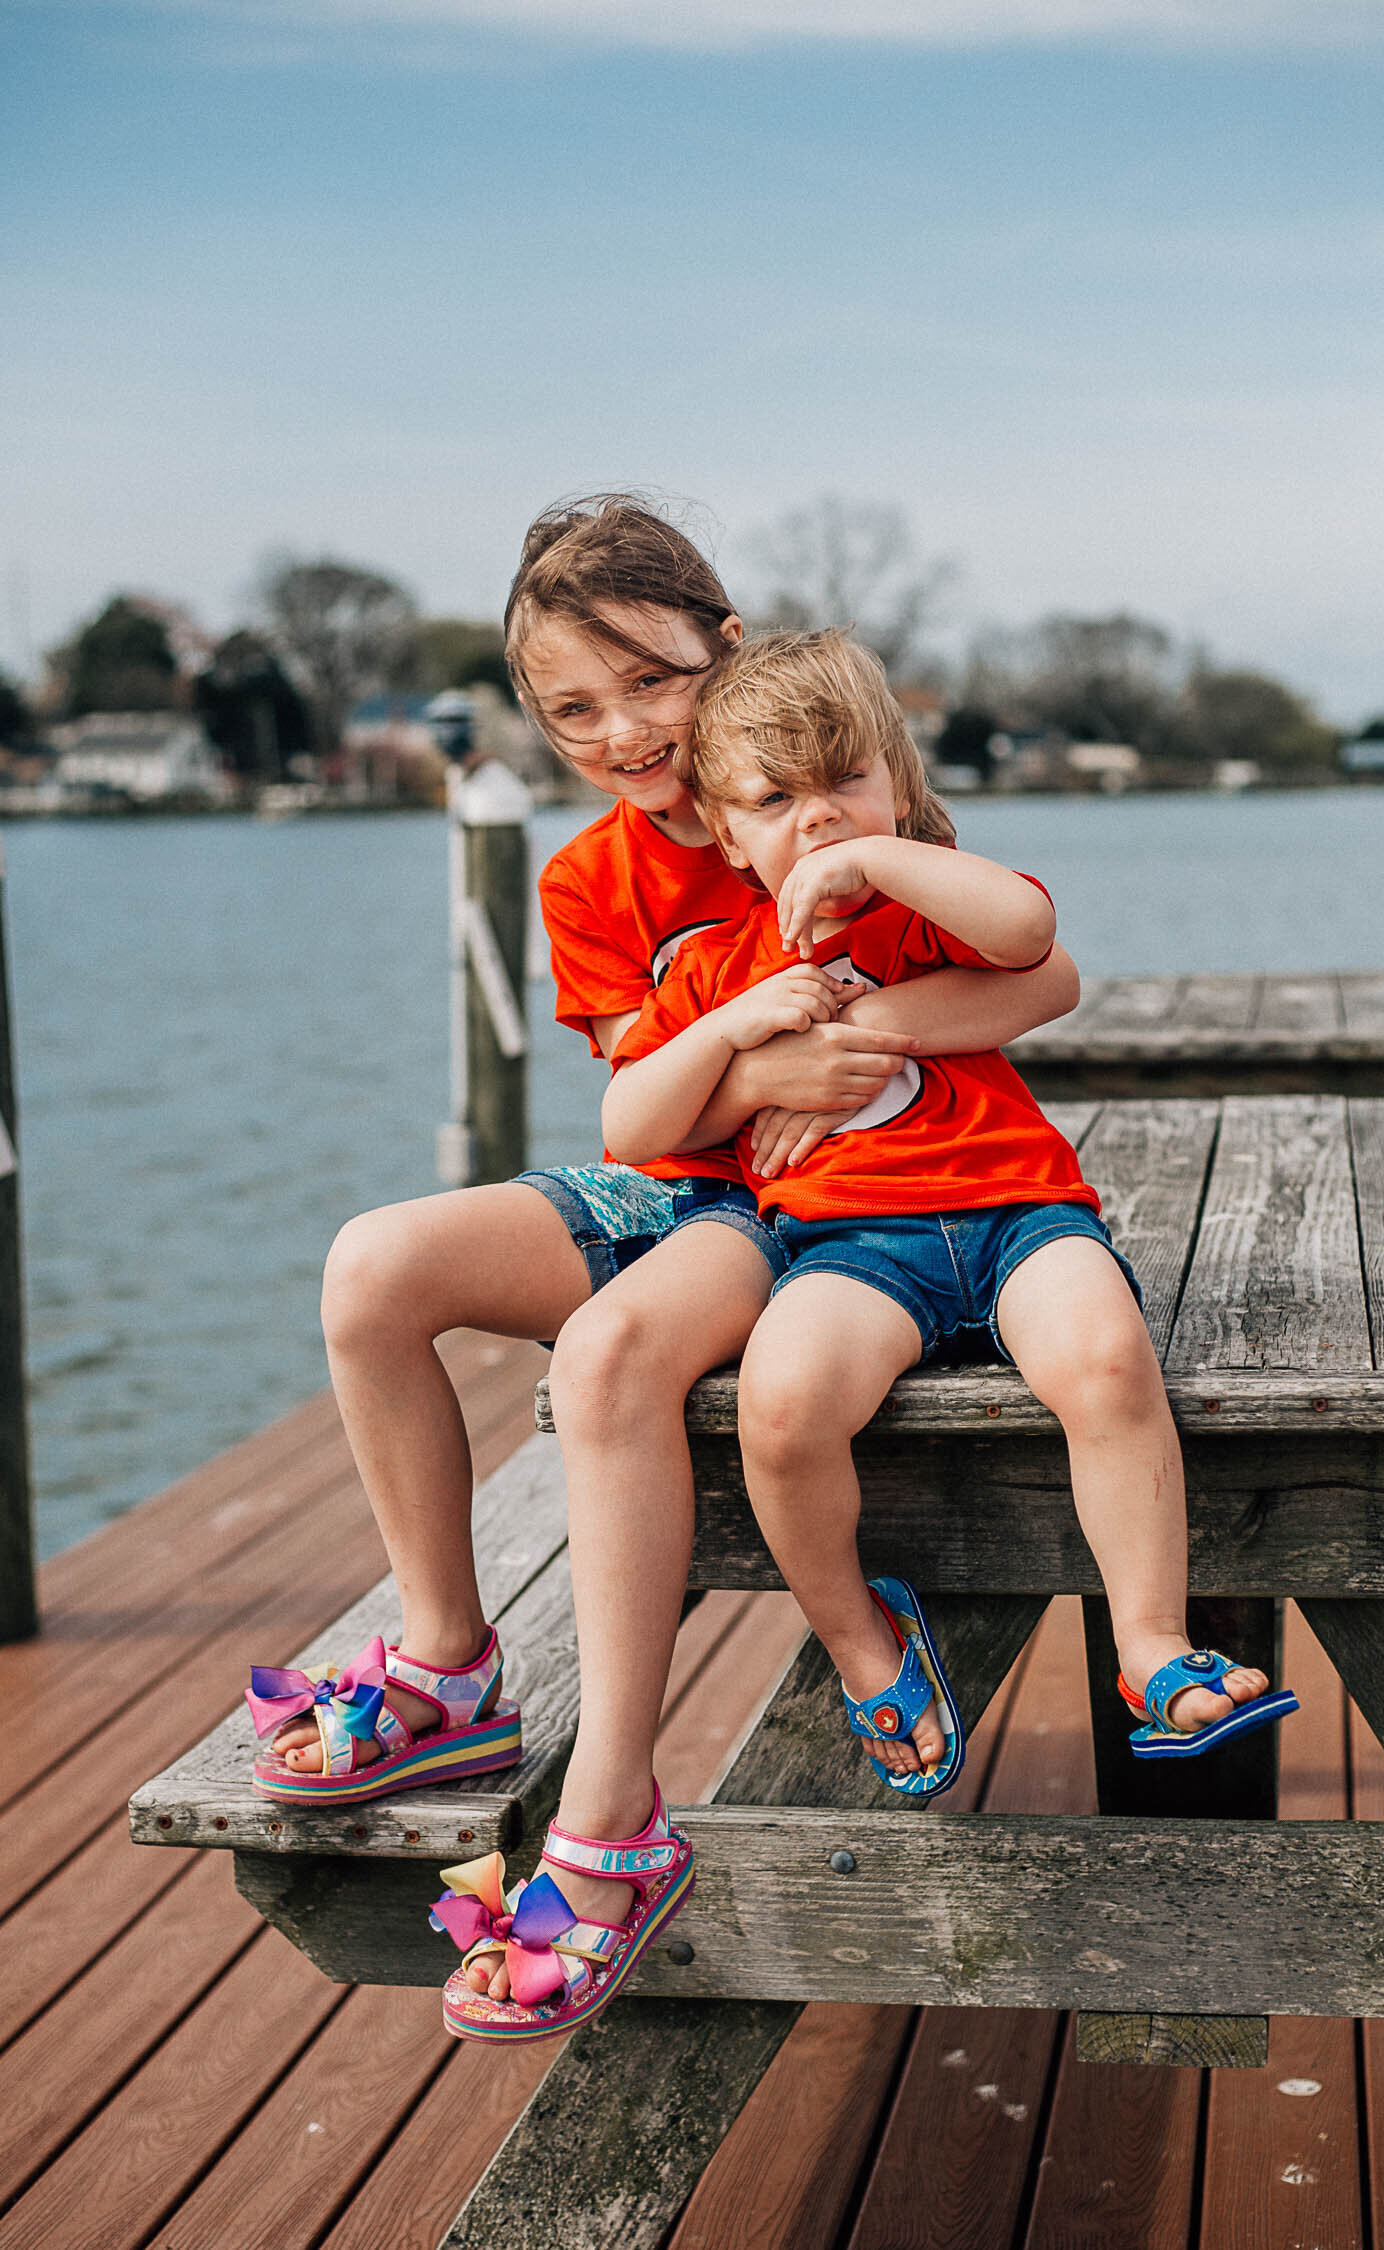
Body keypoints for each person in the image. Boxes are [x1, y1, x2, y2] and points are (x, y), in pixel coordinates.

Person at [242, 499, 1082, 2023]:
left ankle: (616, 1802)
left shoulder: (836, 804)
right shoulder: (587, 885)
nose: (622, 730)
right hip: (677, 1183)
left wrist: (868, 1032)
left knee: (617, 1350)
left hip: (824, 1217)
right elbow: (656, 1111)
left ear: (729, 649)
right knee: (373, 1266)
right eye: (572, 706)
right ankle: (446, 1671)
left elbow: (1042, 971)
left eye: (649, 680)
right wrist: (756, 1070)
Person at [602, 628, 1298, 1813]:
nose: (818, 821)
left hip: (1019, 1215)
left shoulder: (925, 910)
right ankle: (863, 1640)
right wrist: (734, 1033)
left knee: (1107, 1354)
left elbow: (1032, 941)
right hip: (853, 1248)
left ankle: (1149, 1644)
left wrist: (886, 855)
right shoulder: (721, 962)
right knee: (780, 1404)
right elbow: (629, 1122)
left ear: (901, 781)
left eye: (847, 782)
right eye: (775, 800)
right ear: (723, 831)